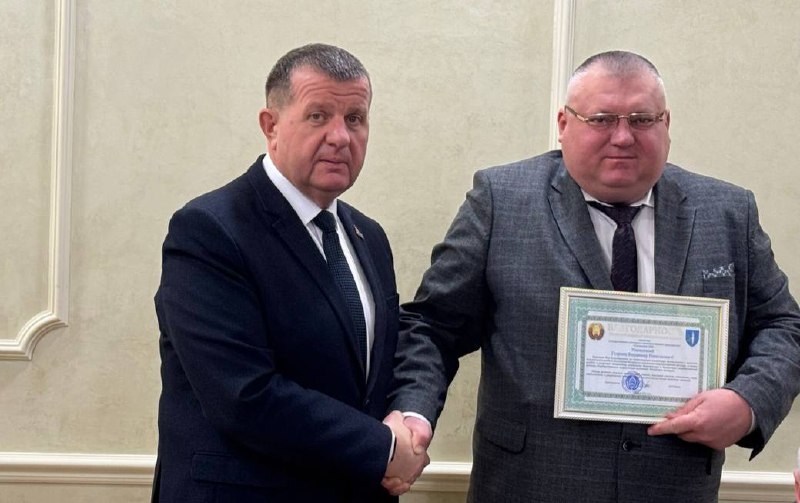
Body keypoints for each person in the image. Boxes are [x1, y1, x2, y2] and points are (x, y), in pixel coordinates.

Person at [389, 50, 800, 502]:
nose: (623, 136)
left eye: (642, 119)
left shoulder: (727, 212)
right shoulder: (500, 202)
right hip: (530, 486)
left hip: (673, 488)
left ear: (666, 124)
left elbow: (784, 326)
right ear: (564, 123)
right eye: (601, 119)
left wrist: (748, 402)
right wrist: (414, 412)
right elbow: (433, 325)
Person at [152, 43, 427, 502]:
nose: (340, 137)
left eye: (355, 118)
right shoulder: (209, 230)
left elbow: (375, 372)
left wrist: (409, 418)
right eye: (318, 116)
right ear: (271, 125)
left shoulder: (369, 238)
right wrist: (383, 449)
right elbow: (244, 396)